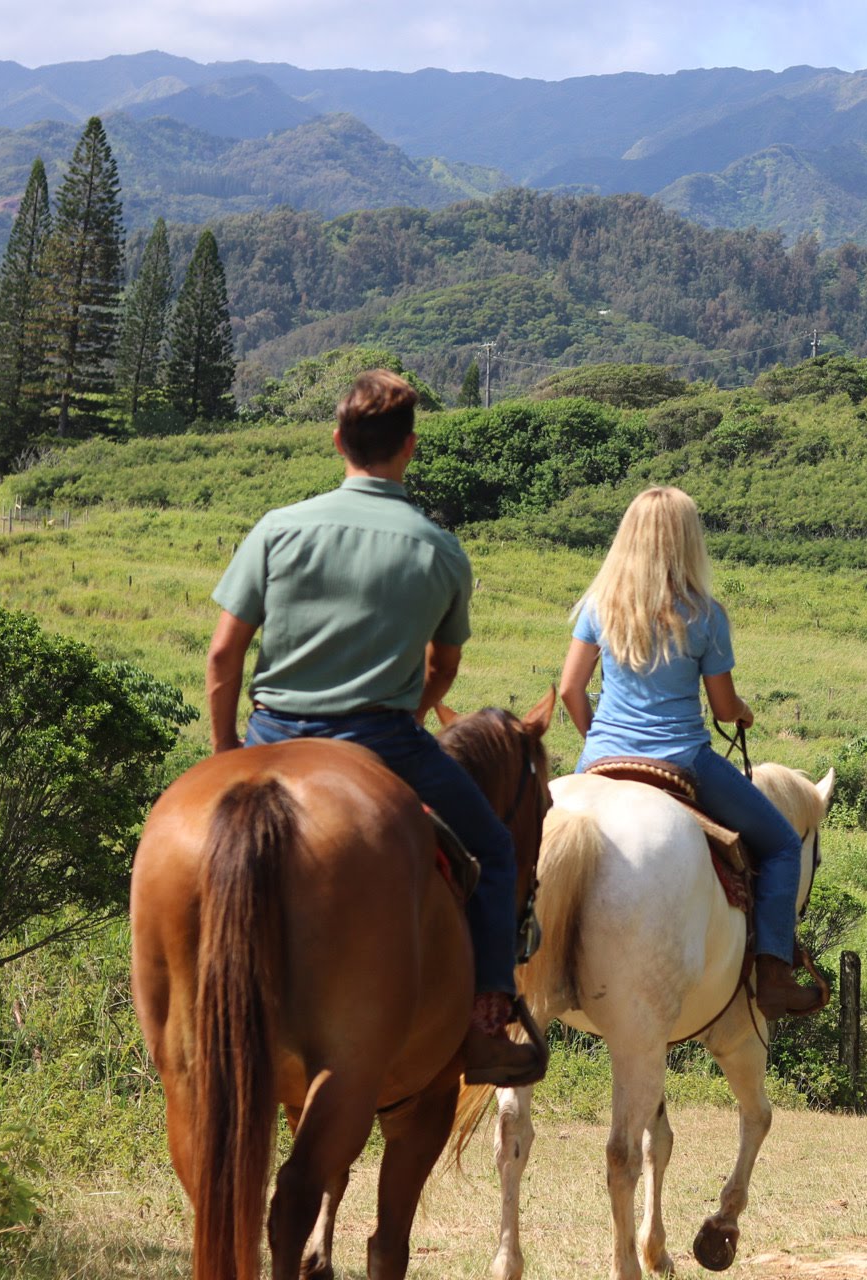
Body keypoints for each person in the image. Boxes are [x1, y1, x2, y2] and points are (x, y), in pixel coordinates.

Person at [205, 369, 545, 1087]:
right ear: (410, 448)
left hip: (270, 736)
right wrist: (409, 713)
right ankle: (486, 1025)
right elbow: (444, 667)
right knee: (490, 849)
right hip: (381, 739)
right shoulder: (440, 551)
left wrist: (225, 754)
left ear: (337, 441)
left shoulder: (278, 528)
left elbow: (222, 656)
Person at [555, 485, 825, 1020]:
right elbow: (724, 709)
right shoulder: (704, 615)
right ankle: (773, 975)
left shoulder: (599, 606)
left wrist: (598, 743)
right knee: (779, 847)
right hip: (682, 762)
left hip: (601, 763)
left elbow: (569, 690)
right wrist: (743, 711)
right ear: (687, 542)